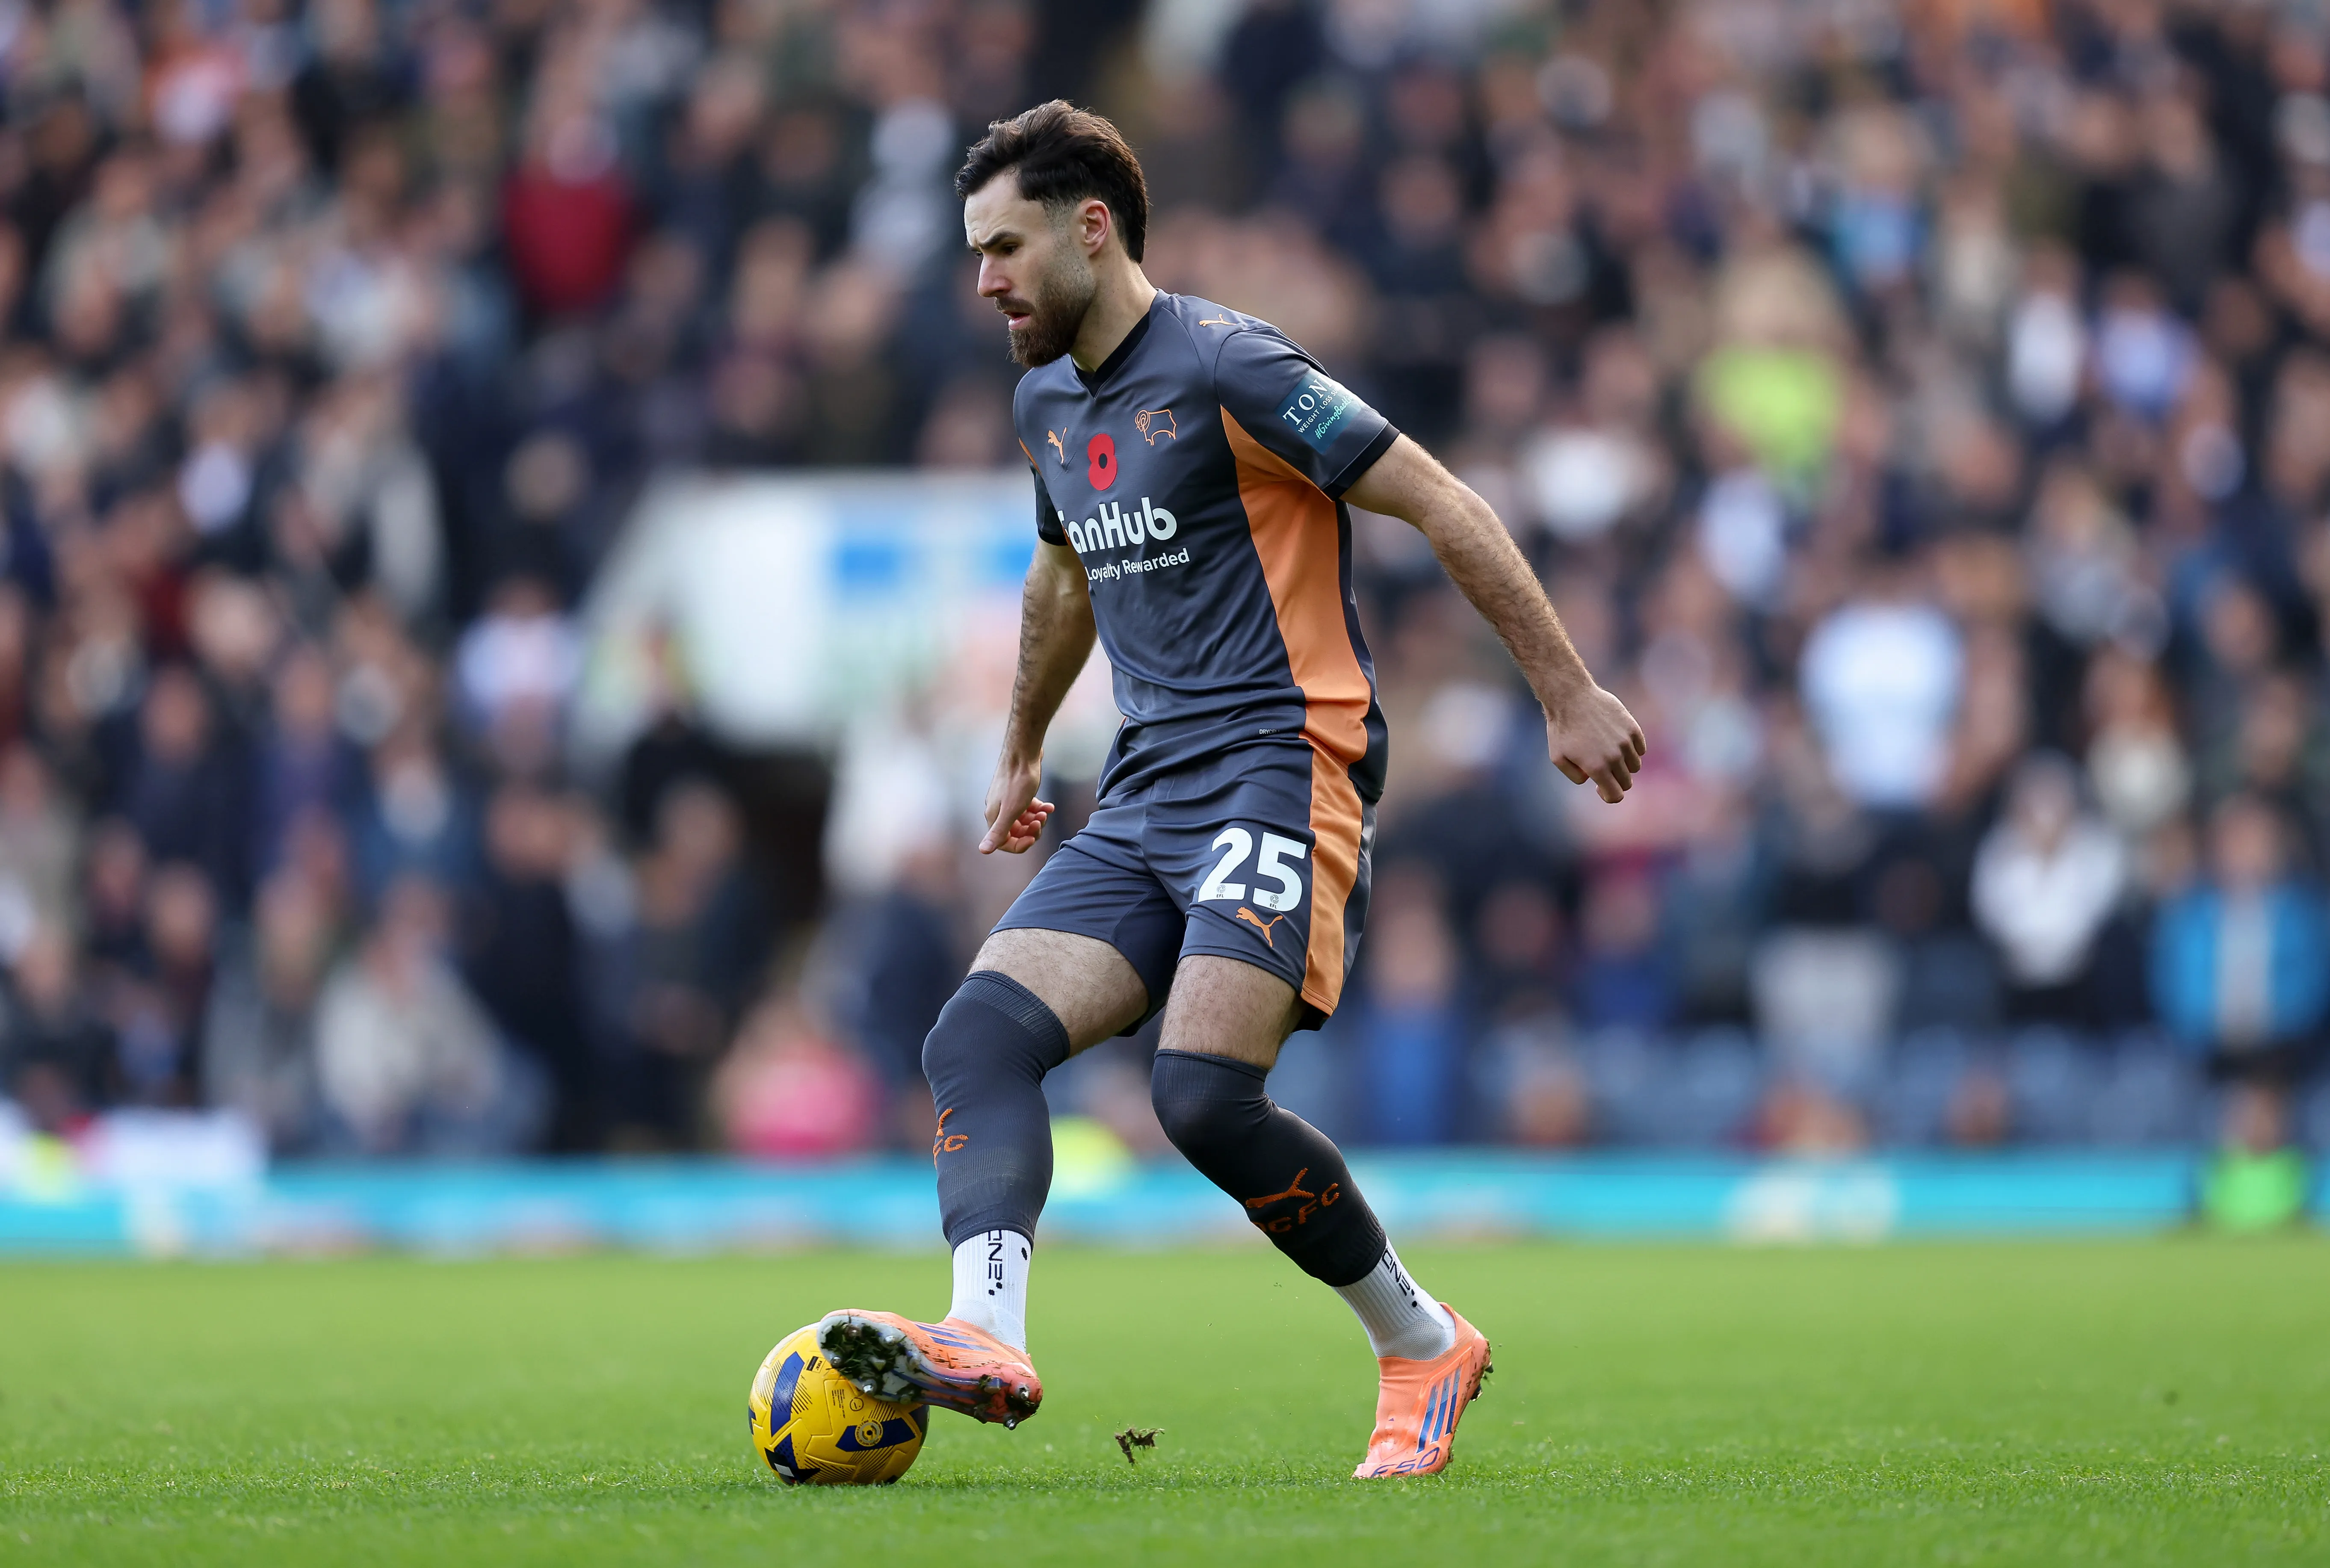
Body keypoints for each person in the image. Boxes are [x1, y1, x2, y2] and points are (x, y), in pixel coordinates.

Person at [816, 102, 1642, 1479]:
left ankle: (1421, 1340)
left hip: (1282, 761)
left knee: (1201, 1098)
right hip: (1145, 783)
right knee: (975, 1038)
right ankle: (987, 1334)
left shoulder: (1230, 364)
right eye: (975, 255)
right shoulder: (1043, 402)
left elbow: (1442, 500)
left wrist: (1567, 692)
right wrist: (1020, 745)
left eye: (1005, 248)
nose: (985, 281)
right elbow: (1064, 573)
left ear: (1092, 229)